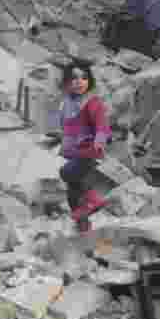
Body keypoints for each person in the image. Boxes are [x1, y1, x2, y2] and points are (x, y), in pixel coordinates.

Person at [53, 61, 111, 233]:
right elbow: (68, 128)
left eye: (84, 78)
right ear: (66, 82)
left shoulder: (92, 102)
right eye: (74, 78)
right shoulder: (67, 103)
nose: (79, 82)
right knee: (73, 194)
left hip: (89, 151)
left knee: (67, 173)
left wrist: (99, 142)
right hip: (73, 152)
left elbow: (102, 126)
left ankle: (95, 200)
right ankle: (83, 228)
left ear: (90, 81)